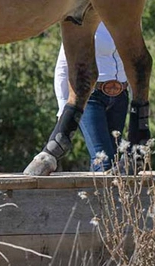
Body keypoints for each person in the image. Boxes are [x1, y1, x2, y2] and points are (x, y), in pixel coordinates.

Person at [54, 22, 129, 171]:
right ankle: (102, 194)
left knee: (114, 158)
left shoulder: (127, 19)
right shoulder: (82, 23)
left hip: (120, 97)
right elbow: (63, 67)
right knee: (102, 159)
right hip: (90, 98)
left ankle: (99, 193)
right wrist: (64, 108)